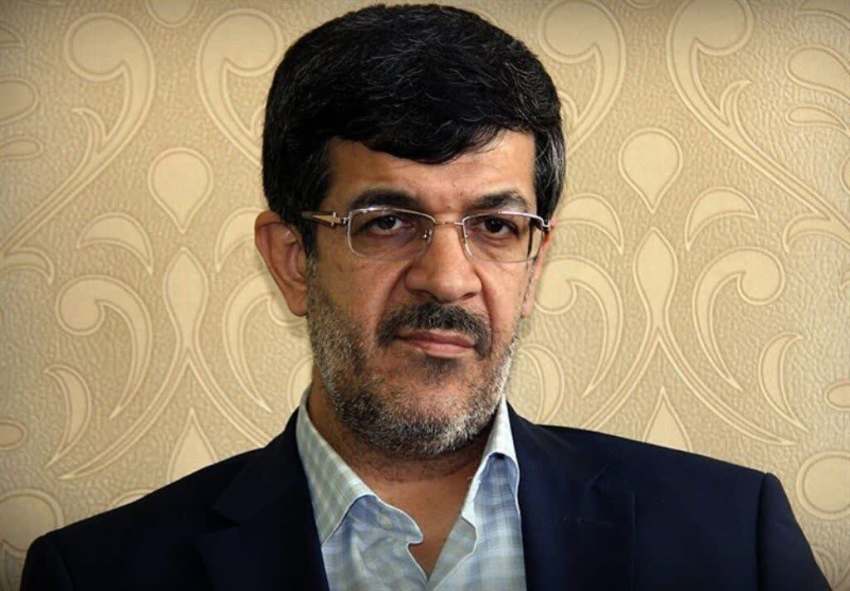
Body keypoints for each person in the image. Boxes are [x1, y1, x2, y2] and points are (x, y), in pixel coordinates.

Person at [22, 4, 827, 590]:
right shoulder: (98, 572)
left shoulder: (732, 538)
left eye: (496, 226)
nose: (447, 277)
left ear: (535, 263)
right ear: (293, 260)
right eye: (387, 222)